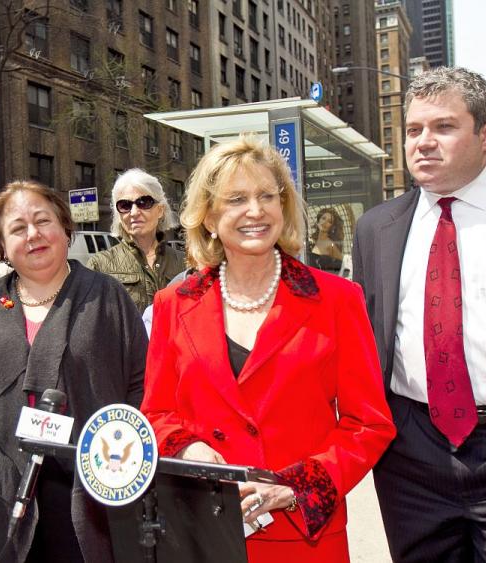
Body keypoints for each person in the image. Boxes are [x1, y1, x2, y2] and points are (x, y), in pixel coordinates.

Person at [141, 135, 395, 562]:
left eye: (267, 196)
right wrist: (190, 448)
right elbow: (157, 414)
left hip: (303, 537)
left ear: (284, 206)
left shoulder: (337, 299)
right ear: (208, 217)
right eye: (236, 199)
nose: (255, 211)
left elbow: (368, 425)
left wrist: (296, 487)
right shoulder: (173, 304)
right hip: (203, 529)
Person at [352, 66, 486, 562]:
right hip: (412, 461)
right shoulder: (377, 228)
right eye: (413, 130)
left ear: (485, 135)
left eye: (443, 127)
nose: (423, 142)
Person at [0, 180, 147, 563]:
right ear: (1, 245)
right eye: (18, 228)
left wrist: (127, 460)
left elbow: (140, 382)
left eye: (43, 221)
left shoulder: (106, 296)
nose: (33, 234)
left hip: (87, 487)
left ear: (65, 230)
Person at [86, 168, 185, 313]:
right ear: (118, 214)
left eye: (144, 202)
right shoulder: (98, 266)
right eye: (125, 205)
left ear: (160, 210)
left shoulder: (185, 263)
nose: (134, 212)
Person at [308, 207, 344, 273]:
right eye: (323, 218)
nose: (325, 222)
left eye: (329, 222)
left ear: (332, 226)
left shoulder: (330, 245)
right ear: (318, 220)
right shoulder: (310, 240)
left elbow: (342, 266)